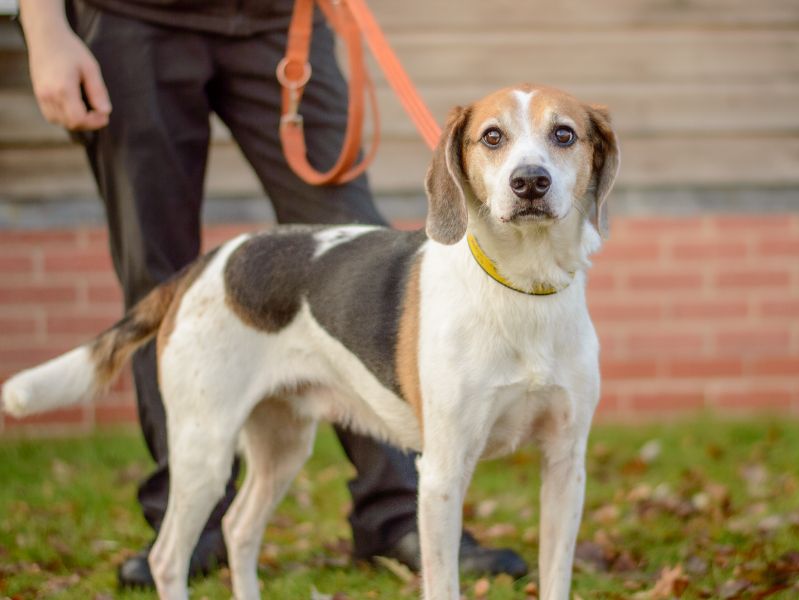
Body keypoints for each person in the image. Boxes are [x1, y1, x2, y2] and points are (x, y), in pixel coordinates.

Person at [18, 0, 528, 587]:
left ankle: (399, 510)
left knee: (362, 245)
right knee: (156, 267)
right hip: (130, 18)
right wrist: (44, 27)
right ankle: (192, 523)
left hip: (282, 22)